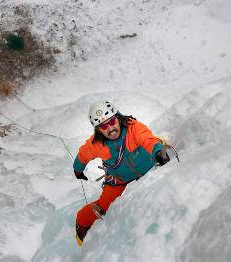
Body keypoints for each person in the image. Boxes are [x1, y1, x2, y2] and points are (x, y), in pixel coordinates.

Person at [73, 100, 170, 246]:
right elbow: (82, 155)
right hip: (119, 178)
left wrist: (157, 152)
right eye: (104, 126)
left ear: (118, 118)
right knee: (103, 207)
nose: (110, 128)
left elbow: (146, 139)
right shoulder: (95, 144)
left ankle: (160, 142)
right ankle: (82, 222)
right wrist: (78, 170)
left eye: (112, 121)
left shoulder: (133, 127)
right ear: (98, 130)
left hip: (148, 166)